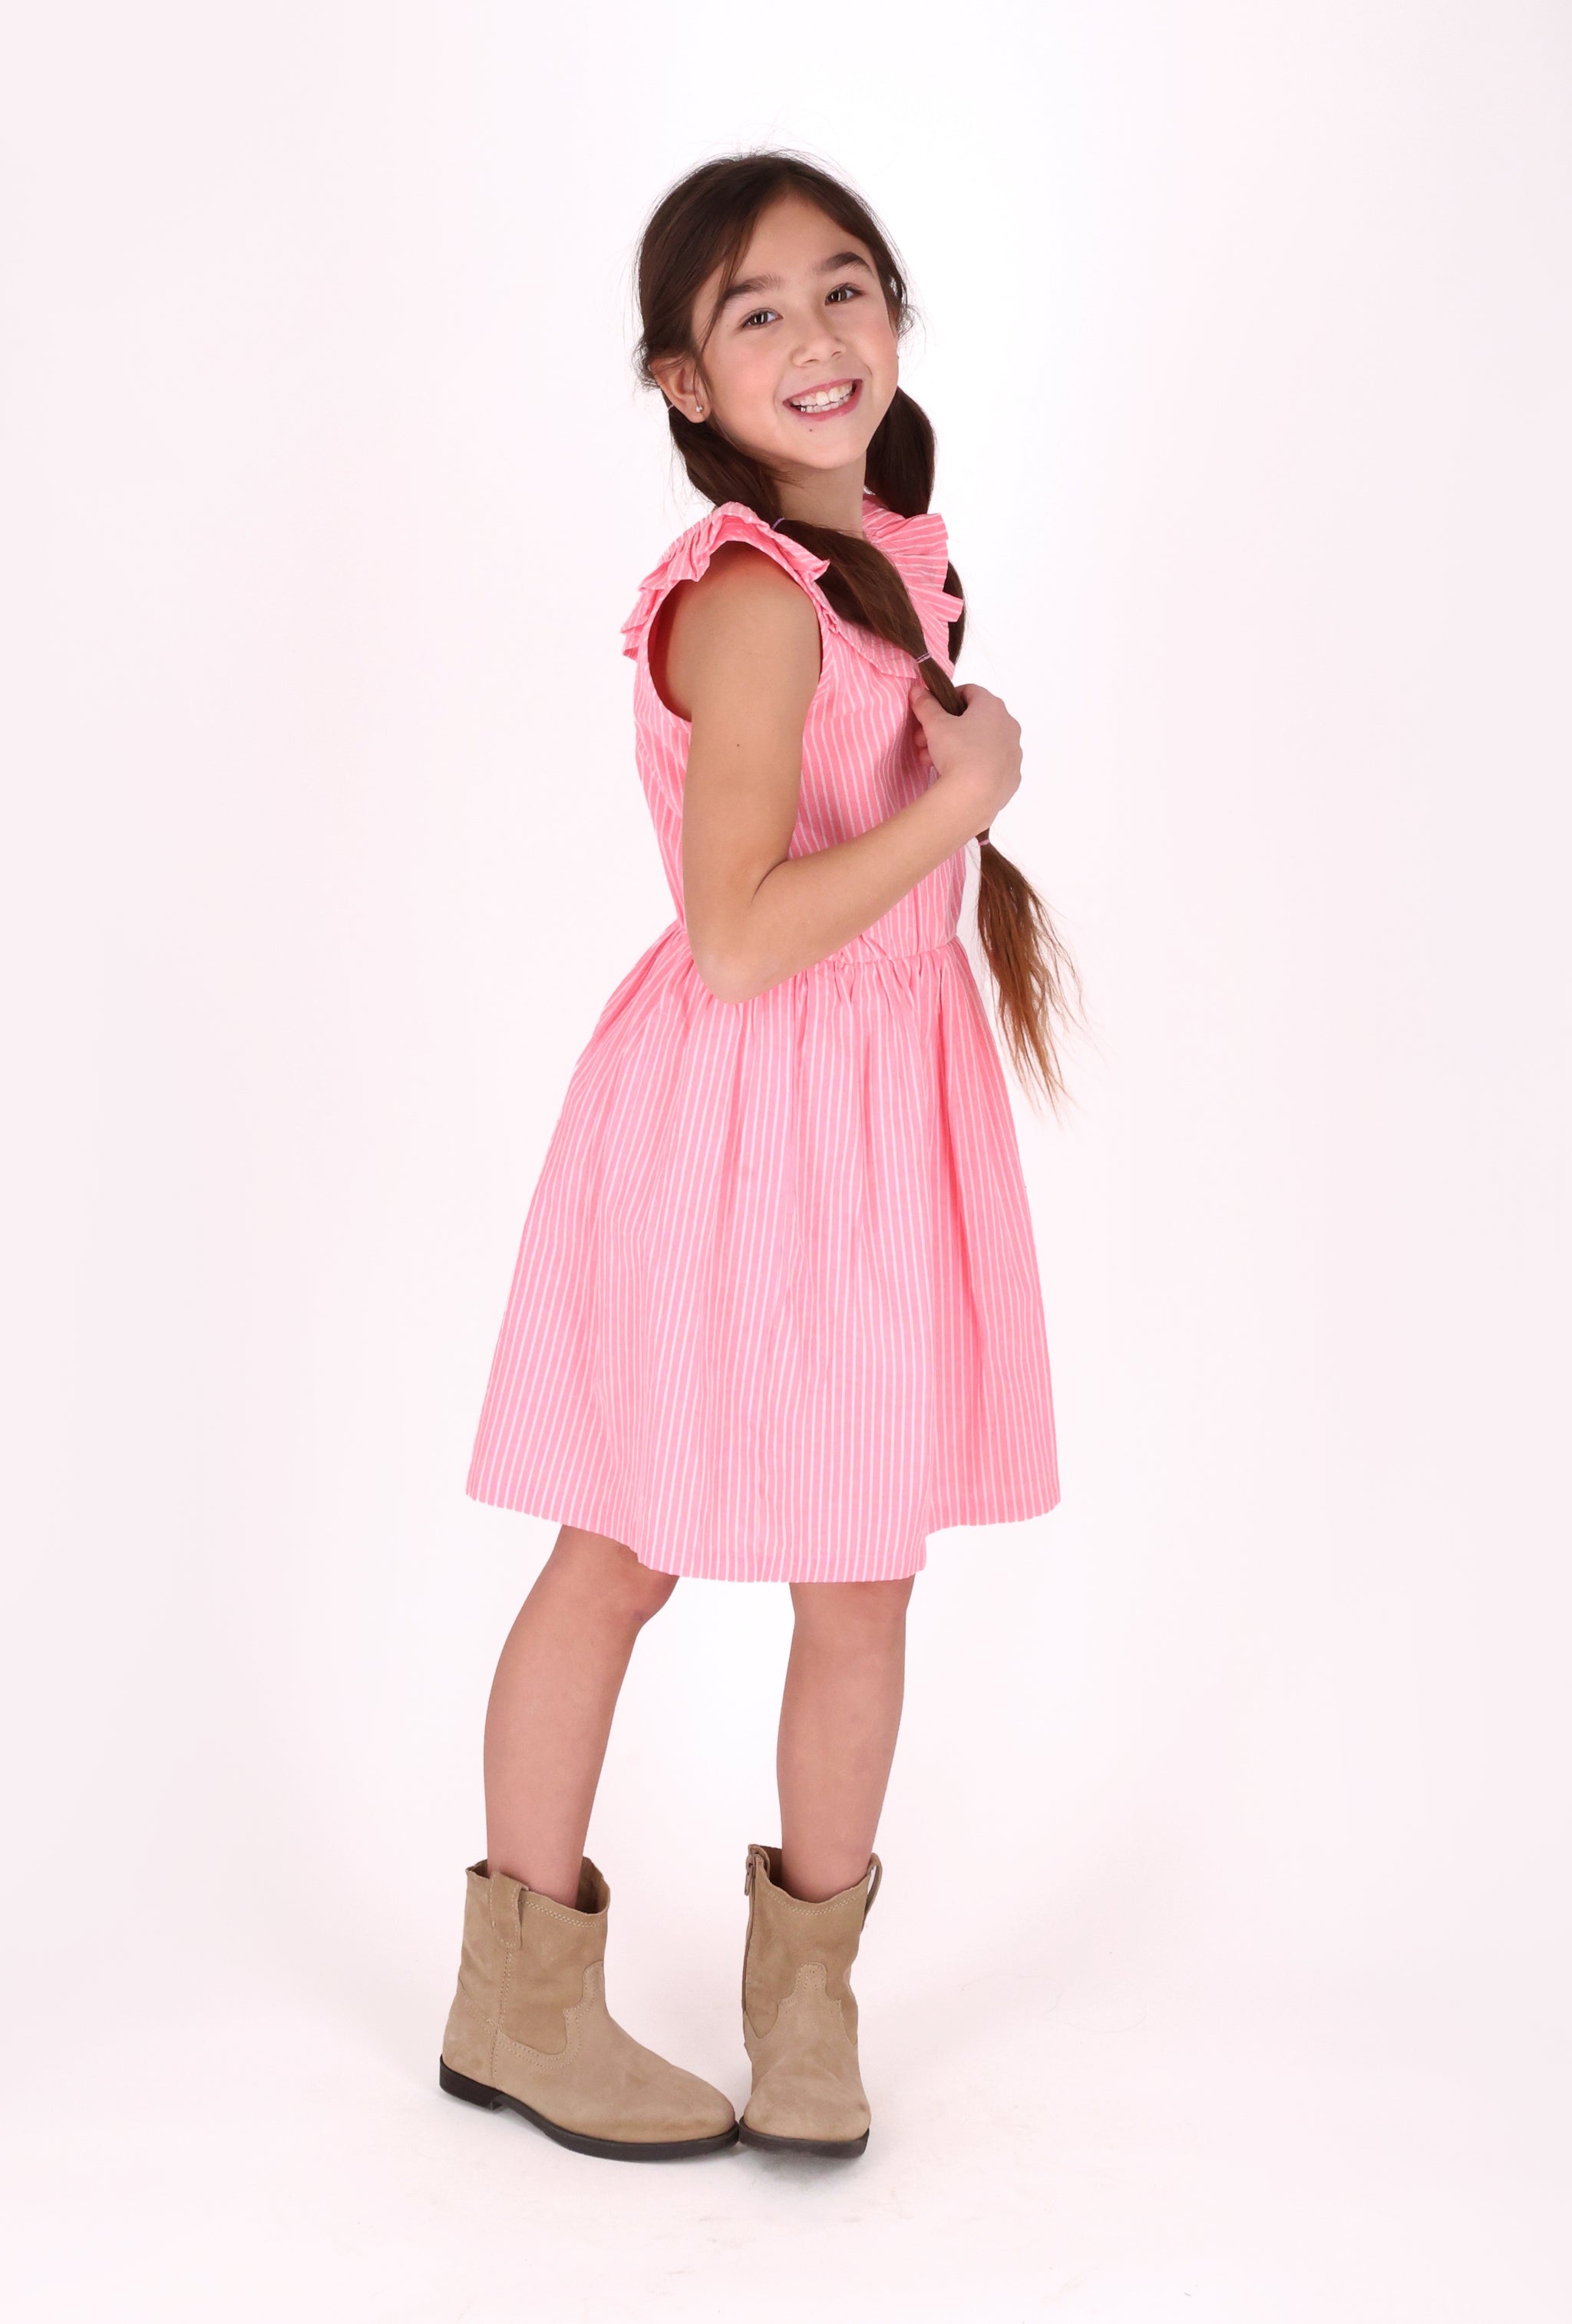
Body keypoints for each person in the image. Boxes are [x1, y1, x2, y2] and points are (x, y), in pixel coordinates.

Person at [438, 152, 1084, 2164]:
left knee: (862, 1571)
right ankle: (519, 2000)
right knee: (620, 1550)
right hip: (733, 1121)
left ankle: (808, 2010)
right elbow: (734, 936)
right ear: (685, 380)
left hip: (875, 1108)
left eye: (845, 286)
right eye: (756, 311)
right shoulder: (748, 602)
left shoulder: (888, 557)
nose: (817, 335)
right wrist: (964, 799)